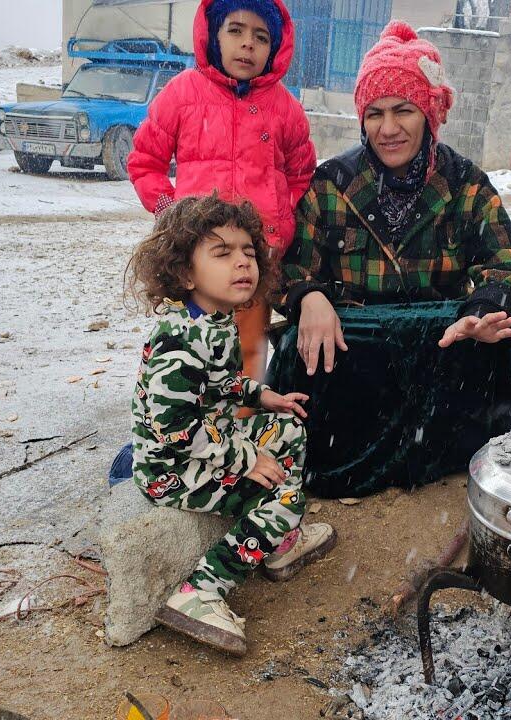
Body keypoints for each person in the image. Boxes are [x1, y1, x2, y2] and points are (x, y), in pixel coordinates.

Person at [270, 22, 511, 498]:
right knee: (297, 347)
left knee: (509, 350)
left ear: (429, 115)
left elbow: (509, 265)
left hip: (441, 350)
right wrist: (308, 296)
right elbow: (289, 270)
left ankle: (462, 459)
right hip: (357, 352)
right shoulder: (332, 184)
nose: (388, 129)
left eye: (403, 110)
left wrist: (485, 311)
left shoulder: (466, 184)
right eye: (375, 113)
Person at [125, 195, 336, 657]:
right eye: (222, 253)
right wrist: (247, 459)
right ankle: (201, 591)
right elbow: (175, 429)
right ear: (185, 273)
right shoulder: (179, 343)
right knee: (288, 499)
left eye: (248, 252)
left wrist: (262, 396)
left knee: (289, 429)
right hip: (173, 470)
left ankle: (277, 543)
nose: (242, 263)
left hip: (210, 443)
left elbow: (221, 381)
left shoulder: (213, 319)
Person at [128, 0, 315, 384]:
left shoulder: (285, 108)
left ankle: (244, 418)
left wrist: (281, 223)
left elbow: (301, 176)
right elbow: (145, 162)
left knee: (248, 356)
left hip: (255, 261)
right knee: (191, 352)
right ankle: (182, 416)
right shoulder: (182, 94)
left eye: (261, 37)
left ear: (274, 48)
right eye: (236, 30)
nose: (248, 44)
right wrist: (171, 214)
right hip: (199, 262)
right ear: (213, 35)